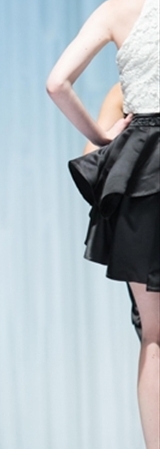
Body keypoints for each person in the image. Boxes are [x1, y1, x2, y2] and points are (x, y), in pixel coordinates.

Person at [46, 0, 159, 449]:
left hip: (143, 167)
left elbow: (57, 82)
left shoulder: (118, 10)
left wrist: (100, 133)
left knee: (154, 336)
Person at [84, 84, 142, 342]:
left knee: (153, 335)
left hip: (143, 223)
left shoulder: (126, 89)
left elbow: (93, 159)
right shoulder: (123, 91)